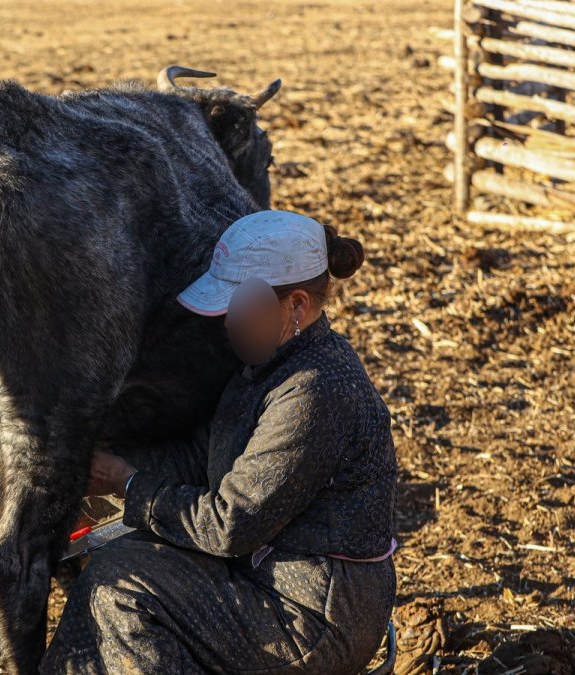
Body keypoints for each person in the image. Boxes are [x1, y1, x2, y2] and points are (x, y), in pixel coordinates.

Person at [41, 210, 399, 674]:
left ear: (295, 306)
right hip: (270, 582)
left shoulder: (315, 390)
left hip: (313, 617)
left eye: (238, 307)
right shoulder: (268, 366)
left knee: (121, 588)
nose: (227, 322)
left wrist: (128, 484)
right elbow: (202, 455)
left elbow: (230, 525)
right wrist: (101, 475)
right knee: (115, 559)